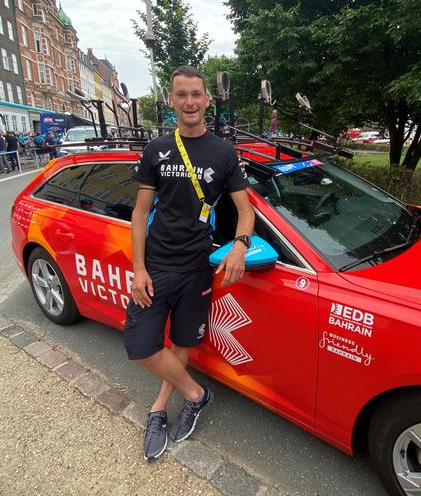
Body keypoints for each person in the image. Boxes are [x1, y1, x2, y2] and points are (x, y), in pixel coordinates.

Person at [124, 65, 254, 460]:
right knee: (140, 345)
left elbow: (245, 212)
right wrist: (139, 268)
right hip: (157, 265)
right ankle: (197, 394)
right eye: (182, 95)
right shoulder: (156, 149)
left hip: (198, 267)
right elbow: (139, 212)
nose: (190, 102)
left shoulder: (223, 152)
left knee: (181, 343)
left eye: (196, 94)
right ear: (171, 101)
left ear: (207, 100)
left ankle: (158, 409)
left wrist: (239, 245)